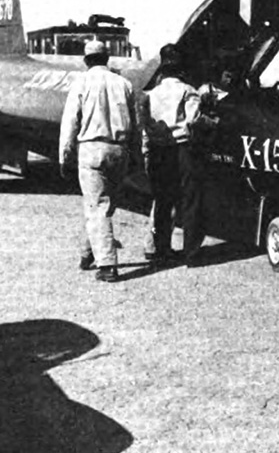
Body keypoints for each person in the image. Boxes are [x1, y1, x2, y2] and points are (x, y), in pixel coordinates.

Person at [59, 40, 139, 283]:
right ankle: (88, 253)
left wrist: (65, 155)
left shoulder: (81, 82)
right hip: (119, 149)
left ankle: (107, 266)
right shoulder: (124, 83)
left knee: (96, 207)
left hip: (92, 149)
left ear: (86, 61)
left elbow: (71, 121)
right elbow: (135, 123)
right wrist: (134, 154)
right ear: (107, 58)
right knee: (105, 205)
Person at [141, 43, 213, 266]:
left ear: (162, 70)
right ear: (180, 68)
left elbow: (145, 125)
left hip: (158, 152)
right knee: (191, 200)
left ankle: (162, 251)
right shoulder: (188, 91)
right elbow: (193, 122)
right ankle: (191, 254)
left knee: (163, 201)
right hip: (183, 150)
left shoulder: (150, 94)